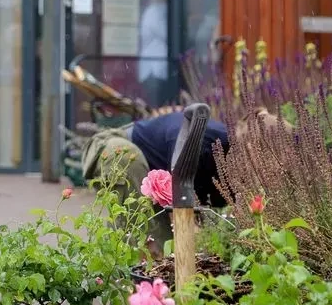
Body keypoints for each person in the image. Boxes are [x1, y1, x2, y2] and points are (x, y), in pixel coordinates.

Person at [82, 108, 234, 254]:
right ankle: (130, 273)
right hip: (115, 146)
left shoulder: (241, 169)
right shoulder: (199, 141)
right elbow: (181, 211)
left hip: (152, 170)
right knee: (156, 244)